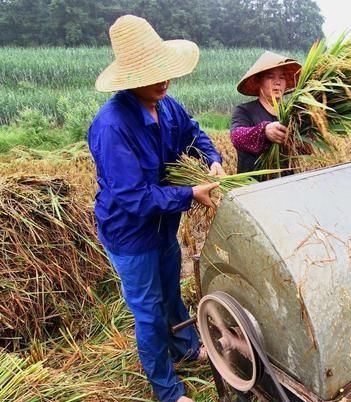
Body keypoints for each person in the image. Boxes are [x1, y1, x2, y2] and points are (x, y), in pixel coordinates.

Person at [87, 15, 224, 402]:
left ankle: (185, 349)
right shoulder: (113, 126)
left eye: (165, 70)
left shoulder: (166, 105)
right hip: (130, 235)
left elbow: (193, 132)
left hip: (164, 227)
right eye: (153, 73)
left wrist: (210, 156)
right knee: (148, 311)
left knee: (171, 293)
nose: (164, 79)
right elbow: (134, 197)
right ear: (130, 79)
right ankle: (167, 390)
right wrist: (188, 194)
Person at [230, 51, 302, 174]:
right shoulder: (244, 111)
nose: (277, 82)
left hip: (287, 183)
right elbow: (237, 137)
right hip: (254, 185)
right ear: (259, 81)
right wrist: (264, 131)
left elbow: (304, 148)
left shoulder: (293, 114)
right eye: (270, 77)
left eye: (282, 77)